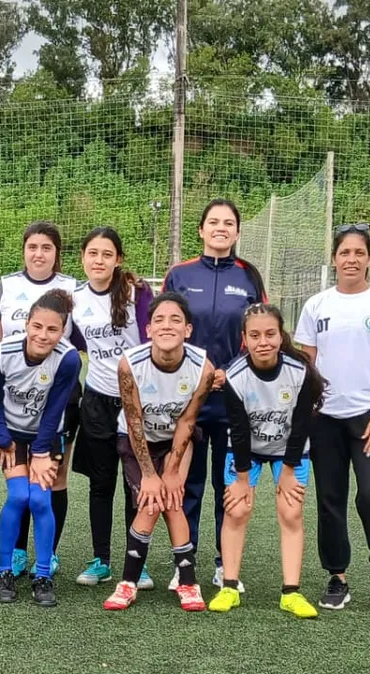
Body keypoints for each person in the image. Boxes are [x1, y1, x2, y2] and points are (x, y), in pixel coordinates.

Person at [294, 223, 370, 616]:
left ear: (369, 259)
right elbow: (306, 365)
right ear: (334, 258)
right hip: (325, 418)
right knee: (330, 500)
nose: (351, 259)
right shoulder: (316, 306)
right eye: (344, 252)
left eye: (358, 253)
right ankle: (337, 576)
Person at [163, 199, 267, 591]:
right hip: (188, 398)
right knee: (186, 482)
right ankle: (183, 562)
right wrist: (197, 374)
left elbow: (258, 334)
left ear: (237, 233)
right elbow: (166, 329)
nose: (221, 228)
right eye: (213, 222)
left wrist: (230, 372)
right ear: (201, 230)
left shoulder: (249, 276)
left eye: (228, 223)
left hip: (233, 398)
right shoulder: (180, 273)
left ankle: (227, 564)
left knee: (229, 484)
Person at [208, 304, 324, 619]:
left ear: (280, 335)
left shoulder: (299, 372)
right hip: (246, 451)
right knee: (237, 509)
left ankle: (291, 592)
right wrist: (243, 480)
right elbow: (239, 430)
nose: (263, 342)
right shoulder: (235, 376)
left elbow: (302, 425)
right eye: (255, 335)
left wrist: (287, 471)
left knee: (291, 512)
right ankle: (229, 586)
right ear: (244, 339)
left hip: (290, 450)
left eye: (270, 334)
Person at [103, 292, 212, 612]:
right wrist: (151, 475)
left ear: (188, 330)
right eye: (159, 320)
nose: (167, 326)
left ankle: (187, 583)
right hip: (137, 440)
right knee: (153, 501)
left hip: (177, 440)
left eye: (176, 319)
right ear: (148, 329)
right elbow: (134, 421)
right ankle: (129, 584)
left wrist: (171, 471)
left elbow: (188, 421)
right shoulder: (130, 365)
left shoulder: (203, 368)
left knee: (172, 497)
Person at [0, 222, 80, 577]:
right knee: (19, 495)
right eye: (33, 246)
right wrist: (0, 433)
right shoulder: (7, 288)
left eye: (47, 247)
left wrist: (43, 448)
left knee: (48, 489)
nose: (39, 253)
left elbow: (57, 408)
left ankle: (47, 559)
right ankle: (12, 557)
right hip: (13, 418)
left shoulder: (73, 292)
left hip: (53, 417)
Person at [70, 227, 153, 590]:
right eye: (92, 253)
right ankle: (101, 558)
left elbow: (153, 341)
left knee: (136, 485)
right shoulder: (74, 299)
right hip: (97, 401)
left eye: (107, 254)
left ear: (118, 259)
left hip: (137, 401)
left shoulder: (138, 293)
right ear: (83, 258)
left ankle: (137, 563)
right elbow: (72, 342)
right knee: (101, 485)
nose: (99, 260)